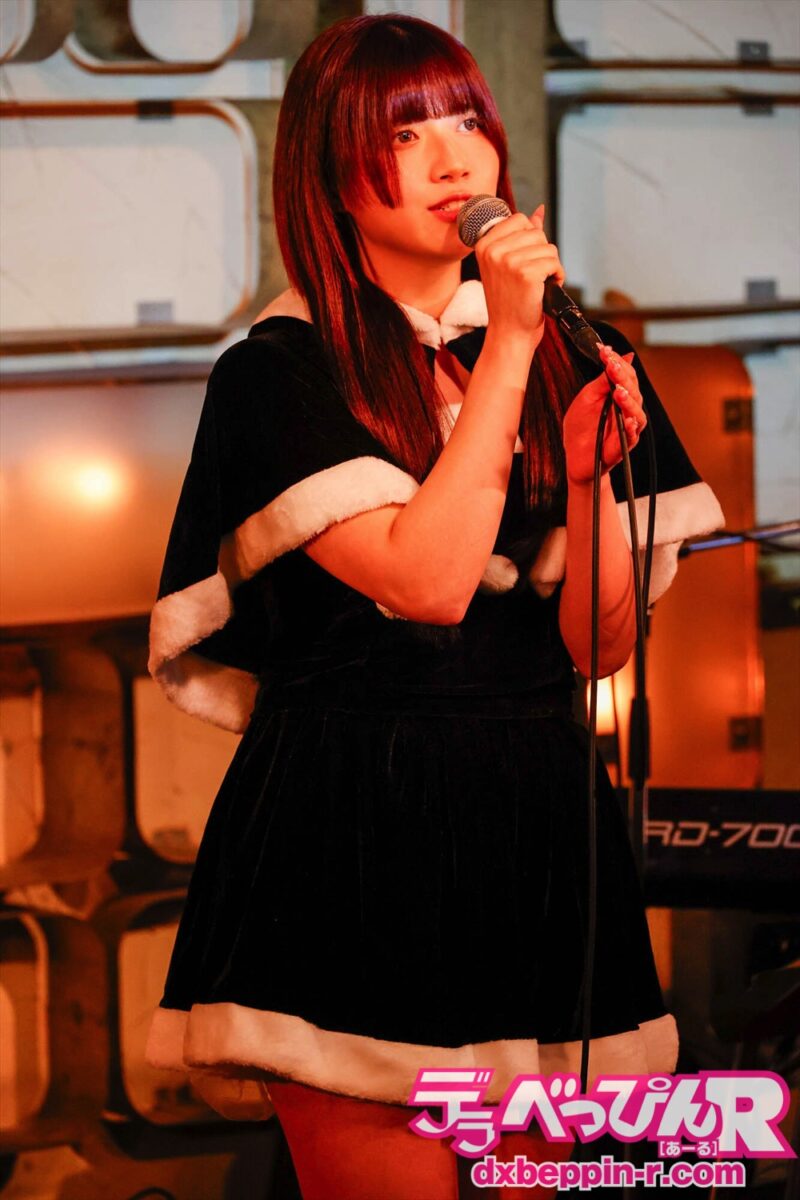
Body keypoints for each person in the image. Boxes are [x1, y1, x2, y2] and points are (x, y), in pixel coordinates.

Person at [144, 13, 724, 1200]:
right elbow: (425, 585)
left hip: (535, 815)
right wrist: (508, 346)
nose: (452, 157)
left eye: (465, 120)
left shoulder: (575, 348)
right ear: (328, 173)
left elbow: (598, 644)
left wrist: (592, 478)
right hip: (354, 821)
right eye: (403, 133)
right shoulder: (279, 371)